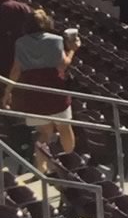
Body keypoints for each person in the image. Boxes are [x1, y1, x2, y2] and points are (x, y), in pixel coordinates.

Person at [6, 10, 77, 171]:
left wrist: (8, 91)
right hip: (54, 90)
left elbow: (16, 69)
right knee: (64, 127)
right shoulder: (56, 40)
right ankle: (70, 165)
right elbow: (63, 65)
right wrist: (72, 49)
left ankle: (42, 167)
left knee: (43, 132)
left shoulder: (20, 43)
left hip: (33, 93)